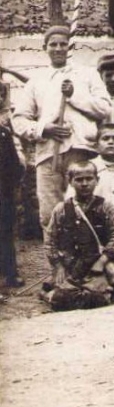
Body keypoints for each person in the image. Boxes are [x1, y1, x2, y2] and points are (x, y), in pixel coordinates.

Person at [14, 25, 111, 223]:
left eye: (63, 44)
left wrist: (74, 95)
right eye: (53, 45)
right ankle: (54, 245)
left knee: (84, 211)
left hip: (82, 151)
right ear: (45, 48)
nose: (58, 49)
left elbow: (105, 108)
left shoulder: (88, 75)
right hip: (49, 155)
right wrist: (43, 129)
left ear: (70, 47)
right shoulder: (36, 81)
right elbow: (19, 120)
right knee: (50, 213)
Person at [43, 158, 114, 310]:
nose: (84, 184)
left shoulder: (105, 207)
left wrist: (102, 261)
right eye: (79, 180)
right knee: (61, 298)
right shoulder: (61, 209)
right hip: (72, 265)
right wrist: (58, 266)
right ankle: (57, 295)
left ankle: (69, 294)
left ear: (97, 180)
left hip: (98, 264)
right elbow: (50, 240)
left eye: (89, 179)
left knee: (100, 296)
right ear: (70, 181)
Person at [0, 81, 24, 288]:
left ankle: (10, 273)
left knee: (6, 231)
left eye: (1, 95)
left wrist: (13, 188)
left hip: (3, 192)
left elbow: (14, 165)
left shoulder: (4, 132)